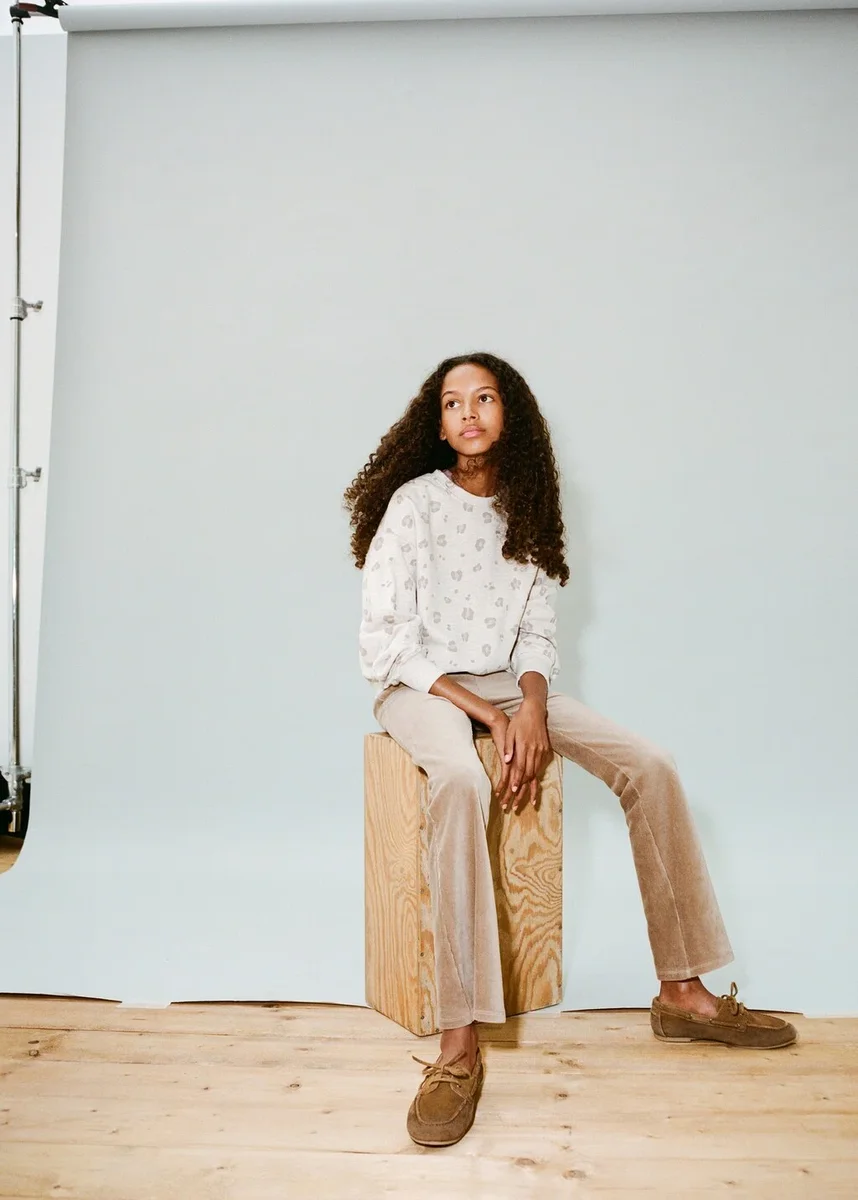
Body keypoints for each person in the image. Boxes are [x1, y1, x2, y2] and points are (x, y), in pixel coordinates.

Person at [343, 352, 795, 1149]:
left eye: (485, 398)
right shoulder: (414, 506)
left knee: (650, 764)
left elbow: (536, 632)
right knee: (459, 781)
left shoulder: (526, 508)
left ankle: (682, 990)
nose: (469, 412)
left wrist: (531, 708)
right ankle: (458, 1043)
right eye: (452, 403)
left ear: (509, 413)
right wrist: (487, 715)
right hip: (422, 686)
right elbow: (387, 642)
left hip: (509, 686)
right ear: (437, 424)